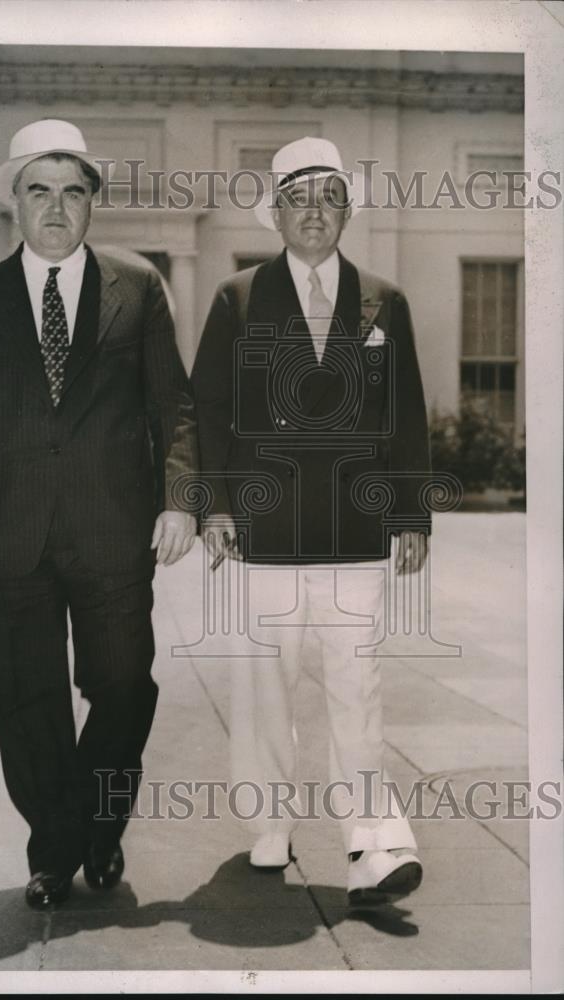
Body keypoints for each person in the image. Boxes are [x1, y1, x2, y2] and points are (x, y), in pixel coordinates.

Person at [0, 119, 198, 910]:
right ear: (14, 202)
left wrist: (181, 498)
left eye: (74, 191)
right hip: (10, 536)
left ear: (92, 206)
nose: (56, 206)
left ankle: (98, 825)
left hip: (113, 530)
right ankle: (55, 850)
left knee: (122, 685)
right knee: (26, 698)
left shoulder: (137, 286)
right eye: (39, 190)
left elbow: (173, 406)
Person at [190, 137, 431, 905]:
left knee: (357, 687)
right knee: (267, 683)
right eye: (300, 198)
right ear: (278, 214)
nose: (315, 213)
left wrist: (411, 512)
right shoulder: (237, 297)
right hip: (267, 529)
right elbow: (208, 412)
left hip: (355, 529)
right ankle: (269, 822)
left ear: (348, 211)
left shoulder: (383, 299)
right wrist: (217, 505)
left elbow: (407, 413)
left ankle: (373, 844)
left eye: (330, 197)